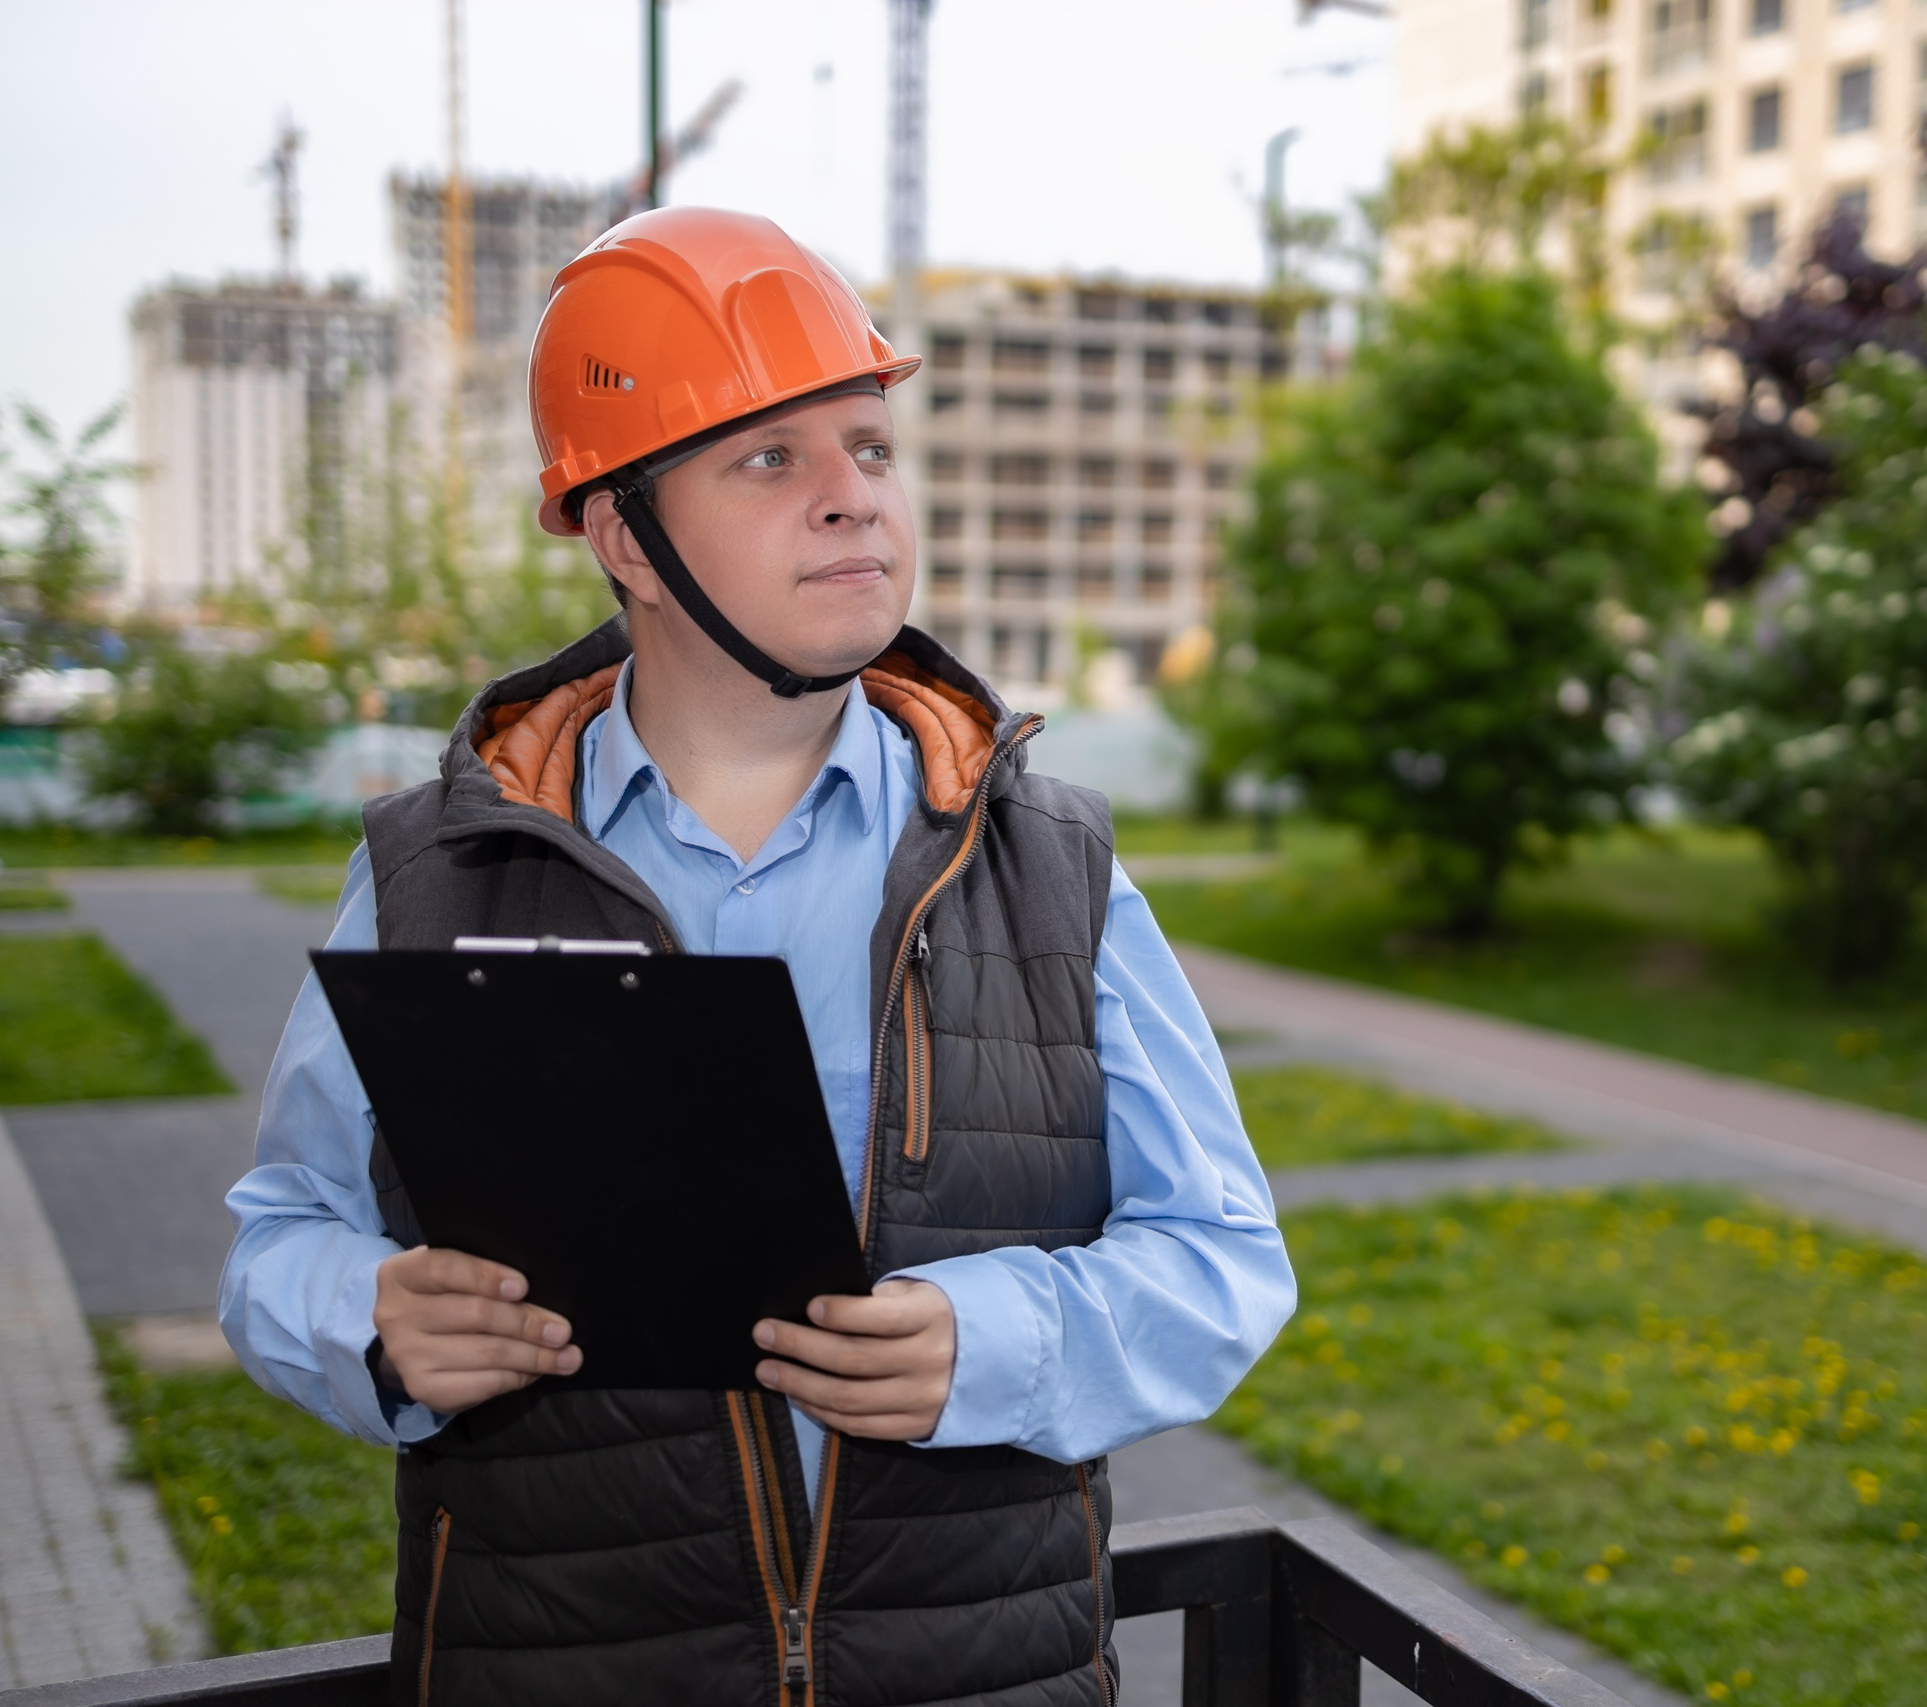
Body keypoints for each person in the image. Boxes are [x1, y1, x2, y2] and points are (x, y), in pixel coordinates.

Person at [218, 207, 1296, 1707]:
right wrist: (373, 1322)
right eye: (771, 458)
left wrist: (999, 1342)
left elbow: (1225, 1262)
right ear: (625, 539)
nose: (854, 499)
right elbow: (281, 1235)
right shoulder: (432, 871)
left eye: (871, 447)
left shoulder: (1050, 866)